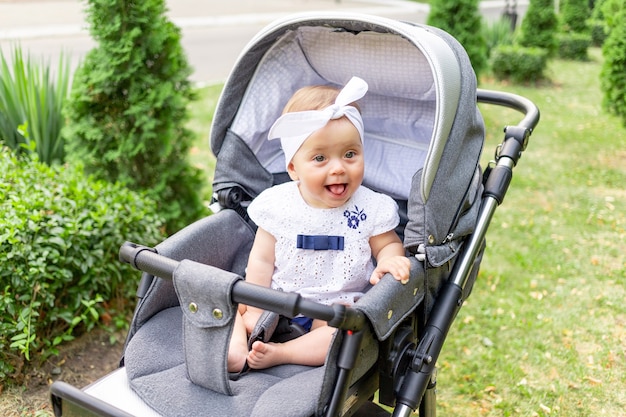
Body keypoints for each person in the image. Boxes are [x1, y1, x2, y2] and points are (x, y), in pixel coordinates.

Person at [228, 76, 410, 373]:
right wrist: (257, 304)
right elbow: (261, 259)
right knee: (234, 302)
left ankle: (283, 352)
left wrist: (390, 261)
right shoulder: (278, 205)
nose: (338, 167)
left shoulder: (370, 207)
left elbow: (388, 243)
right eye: (320, 158)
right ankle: (236, 345)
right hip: (277, 298)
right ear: (293, 168)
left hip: (334, 309)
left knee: (346, 333)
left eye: (350, 154)